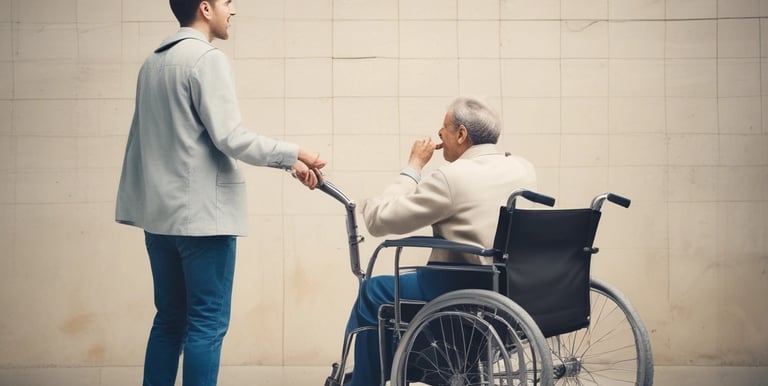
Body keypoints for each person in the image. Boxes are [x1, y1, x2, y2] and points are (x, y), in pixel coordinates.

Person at [114, 0, 326, 385]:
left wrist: (286, 163)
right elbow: (230, 137)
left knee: (168, 320)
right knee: (206, 324)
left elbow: (167, 141)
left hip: (159, 219)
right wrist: (296, 151)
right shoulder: (206, 59)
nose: (234, 10)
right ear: (205, 8)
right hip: (202, 221)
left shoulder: (152, 64)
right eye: (228, 2)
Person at [344, 97, 536, 386]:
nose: (439, 135)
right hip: (511, 287)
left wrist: (413, 166)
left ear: (461, 134)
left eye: (444, 129)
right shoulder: (523, 169)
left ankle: (364, 381)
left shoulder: (452, 176)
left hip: (458, 287)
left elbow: (380, 221)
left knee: (374, 291)